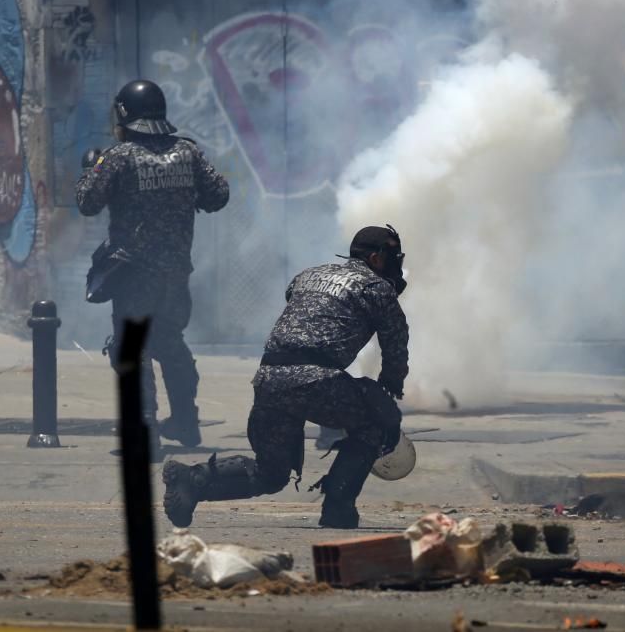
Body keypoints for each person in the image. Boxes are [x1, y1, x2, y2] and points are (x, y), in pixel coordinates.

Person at [162, 225, 409, 529]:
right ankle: (338, 507)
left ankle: (192, 479)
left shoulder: (306, 276)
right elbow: (396, 345)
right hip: (317, 380)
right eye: (392, 258)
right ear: (375, 258)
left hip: (269, 378)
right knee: (376, 420)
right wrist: (390, 389)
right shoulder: (376, 288)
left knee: (272, 473)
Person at [76, 79, 229, 454]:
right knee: (170, 343)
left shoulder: (119, 156)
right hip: (176, 274)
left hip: (133, 276)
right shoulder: (187, 153)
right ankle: (186, 423)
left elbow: (86, 202)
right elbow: (219, 195)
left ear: (125, 115)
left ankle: (145, 433)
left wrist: (91, 165)